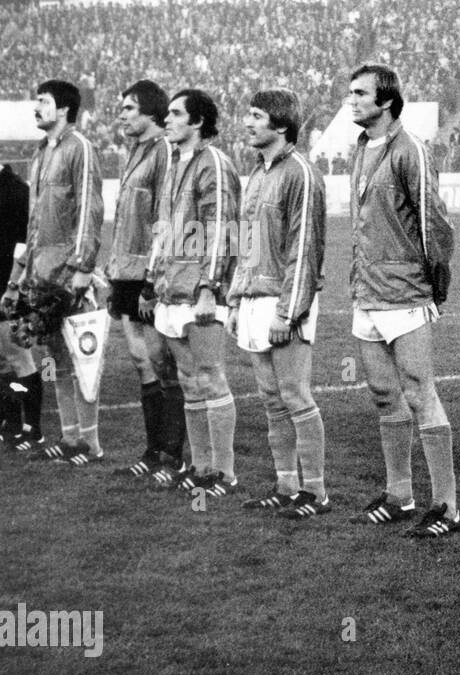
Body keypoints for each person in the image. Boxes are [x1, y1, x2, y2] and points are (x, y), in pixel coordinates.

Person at [345, 64, 459, 536]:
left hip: (405, 292)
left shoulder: (410, 149)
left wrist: (433, 283)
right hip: (366, 292)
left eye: (360, 93)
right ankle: (400, 494)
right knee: (384, 396)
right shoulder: (359, 147)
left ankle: (447, 506)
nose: (351, 100)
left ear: (386, 101)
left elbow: (436, 223)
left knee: (419, 393)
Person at [228, 89, 329, 519]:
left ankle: (316, 493)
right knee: (271, 399)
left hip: (284, 300)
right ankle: (286, 486)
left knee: (295, 395)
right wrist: (233, 298)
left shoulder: (300, 173)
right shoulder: (257, 174)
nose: (247, 122)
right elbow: (245, 243)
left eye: (256, 116)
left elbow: (304, 249)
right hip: (252, 297)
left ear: (281, 126)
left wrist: (288, 312)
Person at [143, 88, 242, 498]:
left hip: (200, 291)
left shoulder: (214, 163)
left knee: (210, 377)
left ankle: (225, 472)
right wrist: (151, 280)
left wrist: (210, 288)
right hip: (171, 288)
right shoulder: (172, 162)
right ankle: (200, 467)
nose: (167, 120)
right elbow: (163, 229)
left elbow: (222, 229)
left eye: (176, 114)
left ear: (198, 121)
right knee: (188, 380)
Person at [2, 79, 104, 467]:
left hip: (69, 273)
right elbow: (32, 224)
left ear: (64, 109)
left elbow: (89, 212)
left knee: (83, 358)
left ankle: (91, 445)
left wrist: (82, 267)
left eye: (43, 101)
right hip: (42, 274)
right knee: (56, 359)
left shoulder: (82, 148)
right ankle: (70, 437)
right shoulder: (39, 153)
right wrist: (22, 273)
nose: (36, 107)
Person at [106, 79, 186, 483]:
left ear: (152, 113)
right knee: (141, 362)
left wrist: (151, 281)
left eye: (129, 108)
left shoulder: (163, 153)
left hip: (146, 274)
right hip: (124, 270)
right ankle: (153, 450)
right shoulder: (134, 152)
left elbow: (165, 221)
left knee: (161, 362)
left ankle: (173, 454)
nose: (122, 114)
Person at [0, 161, 42, 451]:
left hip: (10, 287)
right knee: (3, 362)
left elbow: (28, 243)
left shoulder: (17, 191)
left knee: (18, 357)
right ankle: (11, 423)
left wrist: (14, 286)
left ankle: (34, 428)